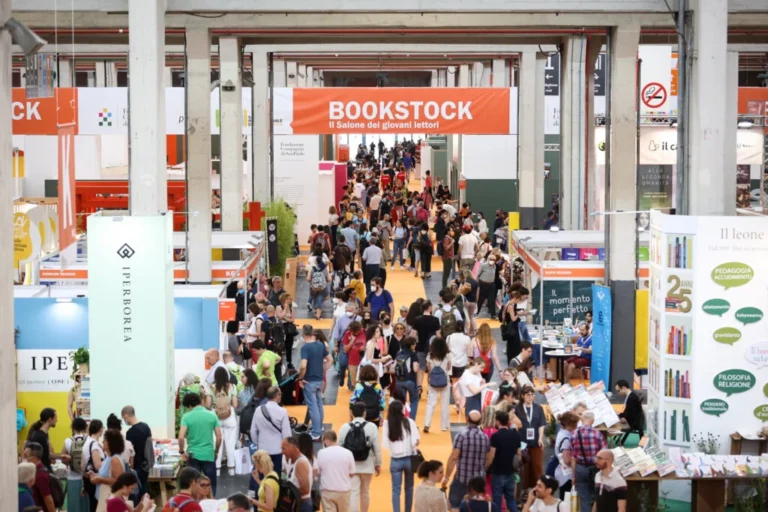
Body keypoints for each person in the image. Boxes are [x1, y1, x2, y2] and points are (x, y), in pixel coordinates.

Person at [339, 402, 383, 512]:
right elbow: (376, 448)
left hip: (351, 466)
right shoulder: (372, 427)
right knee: (365, 491)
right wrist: (378, 464)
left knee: (354, 492)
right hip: (367, 464)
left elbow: (340, 447)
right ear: (364, 413)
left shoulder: (345, 427)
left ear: (352, 413)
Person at [443, 410, 490, 511]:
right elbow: (488, 458)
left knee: (454, 506)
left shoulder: (461, 435)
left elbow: (454, 457)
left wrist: (446, 477)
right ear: (480, 421)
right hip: (478, 480)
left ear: (467, 419)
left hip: (462, 479)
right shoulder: (485, 437)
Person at [178, 391, 222, 496]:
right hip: (208, 454)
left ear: (189, 405)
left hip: (193, 454)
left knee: (193, 483)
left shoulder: (186, 417)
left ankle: (195, 504)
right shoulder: (212, 415)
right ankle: (211, 503)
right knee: (211, 483)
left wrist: (181, 451)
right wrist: (216, 452)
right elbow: (219, 437)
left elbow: (180, 437)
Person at [383, 401, 420, 512]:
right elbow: (416, 441)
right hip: (409, 459)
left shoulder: (387, 424)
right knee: (409, 488)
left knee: (396, 490)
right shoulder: (410, 422)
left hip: (395, 460)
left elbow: (385, 444)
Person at [299, 325, 333, 440]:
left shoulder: (305, 348)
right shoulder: (320, 345)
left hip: (309, 381)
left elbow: (303, 365)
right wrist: (323, 369)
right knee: (319, 405)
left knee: (312, 407)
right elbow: (330, 360)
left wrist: (300, 378)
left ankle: (316, 432)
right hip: (319, 380)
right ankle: (319, 427)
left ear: (303, 334)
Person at [250, 386, 293, 475]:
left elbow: (253, 430)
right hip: (277, 450)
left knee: (262, 476)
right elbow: (287, 434)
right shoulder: (282, 411)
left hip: (262, 449)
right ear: (277, 396)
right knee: (275, 477)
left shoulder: (259, 410)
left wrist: (258, 443)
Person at [204, 366, 238, 477]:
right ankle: (231, 469)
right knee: (230, 443)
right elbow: (235, 404)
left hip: (216, 416)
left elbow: (208, 405)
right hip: (229, 416)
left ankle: (217, 469)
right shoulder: (232, 386)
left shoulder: (211, 388)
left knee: (216, 442)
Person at [570, 411, 607, 512]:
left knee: (584, 498)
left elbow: (573, 457)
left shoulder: (573, 434)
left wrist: (573, 476)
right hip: (596, 469)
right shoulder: (598, 434)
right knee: (598, 496)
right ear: (593, 421)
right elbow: (605, 454)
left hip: (580, 468)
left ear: (582, 420)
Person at [486, 411, 522, 512]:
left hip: (498, 472)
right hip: (511, 471)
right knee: (510, 499)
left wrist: (486, 467)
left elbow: (491, 456)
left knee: (497, 500)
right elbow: (519, 454)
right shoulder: (515, 435)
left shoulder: (495, 436)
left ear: (497, 422)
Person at [516, 385, 547, 494]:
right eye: (528, 395)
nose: (530, 397)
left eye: (532, 394)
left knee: (537, 466)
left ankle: (537, 489)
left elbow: (541, 424)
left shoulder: (538, 408)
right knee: (524, 467)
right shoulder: (517, 408)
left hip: (535, 441)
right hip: (522, 441)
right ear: (522, 396)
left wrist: (540, 438)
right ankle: (523, 490)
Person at [315, 430, 356, 511]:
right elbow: (352, 473)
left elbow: (317, 472)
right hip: (344, 491)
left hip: (327, 491)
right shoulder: (348, 453)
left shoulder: (321, 453)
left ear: (326, 440)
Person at [87, 429, 127, 511]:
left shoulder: (115, 459)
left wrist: (99, 479)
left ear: (111, 443)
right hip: (102, 496)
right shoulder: (108, 458)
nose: (103, 442)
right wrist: (95, 475)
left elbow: (117, 481)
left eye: (105, 440)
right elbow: (106, 475)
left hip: (109, 498)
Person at [121, 406, 152, 498]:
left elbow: (131, 453)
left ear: (126, 416)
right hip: (146, 465)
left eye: (123, 418)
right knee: (144, 491)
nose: (124, 421)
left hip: (137, 467)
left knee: (137, 494)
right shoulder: (146, 426)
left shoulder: (131, 432)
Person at [424, 336, 452, 433]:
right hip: (445, 381)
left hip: (433, 381)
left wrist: (429, 378)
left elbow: (429, 369)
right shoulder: (447, 355)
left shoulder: (429, 355)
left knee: (431, 403)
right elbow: (449, 367)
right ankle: (444, 426)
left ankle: (427, 424)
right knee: (445, 403)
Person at [61, 417, 88, 512]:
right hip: (86, 478)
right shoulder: (88, 440)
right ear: (85, 427)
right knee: (85, 505)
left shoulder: (68, 441)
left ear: (72, 427)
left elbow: (63, 459)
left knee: (73, 504)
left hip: (72, 476)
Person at [551, 410, 578, 499]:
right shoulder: (566, 438)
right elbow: (567, 460)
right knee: (567, 501)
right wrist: (578, 459)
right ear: (570, 425)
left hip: (562, 473)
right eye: (575, 424)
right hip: (567, 475)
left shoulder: (561, 433)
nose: (577, 426)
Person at [282, 438, 314, 512]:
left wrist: (288, 495)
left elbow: (305, 489)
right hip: (299, 503)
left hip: (302, 504)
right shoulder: (297, 462)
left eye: (284, 448)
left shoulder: (301, 463)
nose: (282, 451)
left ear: (292, 448)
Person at [393, 337, 421, 420]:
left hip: (399, 380)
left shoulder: (399, 354)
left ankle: (401, 420)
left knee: (401, 402)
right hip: (410, 380)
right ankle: (411, 421)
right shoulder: (413, 354)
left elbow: (393, 367)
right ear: (412, 345)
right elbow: (415, 369)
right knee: (414, 400)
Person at [23, 442, 55, 512]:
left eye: (25, 456)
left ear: (34, 458)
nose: (23, 459)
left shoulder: (40, 475)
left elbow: (48, 499)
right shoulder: (33, 471)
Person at [82, 419, 106, 510]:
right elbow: (98, 466)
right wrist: (107, 460)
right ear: (100, 430)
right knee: (96, 506)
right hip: (95, 480)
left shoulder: (86, 443)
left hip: (87, 479)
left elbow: (82, 465)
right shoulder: (94, 445)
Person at [615, 380, 645, 446]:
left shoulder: (632, 398)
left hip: (633, 423)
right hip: (633, 420)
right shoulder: (631, 396)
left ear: (623, 388)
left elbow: (630, 414)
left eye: (618, 390)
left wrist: (620, 416)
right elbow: (628, 411)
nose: (618, 393)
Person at [307, 245, 331, 320]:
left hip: (313, 287)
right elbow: (329, 279)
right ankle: (318, 315)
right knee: (320, 298)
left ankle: (315, 310)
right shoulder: (324, 269)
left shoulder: (313, 268)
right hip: (323, 287)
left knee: (315, 298)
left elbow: (308, 279)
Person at [276, 292, 298, 366]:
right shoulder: (278, 307)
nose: (289, 300)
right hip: (281, 328)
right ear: (283, 299)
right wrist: (285, 309)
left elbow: (292, 320)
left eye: (290, 299)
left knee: (289, 345)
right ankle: (280, 360)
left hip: (289, 328)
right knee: (280, 345)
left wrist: (285, 318)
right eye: (288, 299)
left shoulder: (292, 309)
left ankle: (289, 361)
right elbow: (280, 316)